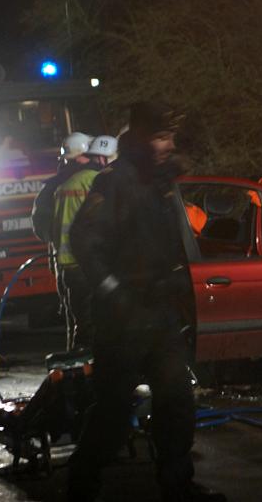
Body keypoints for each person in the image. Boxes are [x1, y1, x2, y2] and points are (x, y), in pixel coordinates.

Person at [67, 102, 224, 502]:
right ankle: (81, 487)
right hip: (122, 321)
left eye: (170, 135)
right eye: (159, 136)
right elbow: (83, 240)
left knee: (176, 403)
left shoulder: (162, 184)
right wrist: (113, 291)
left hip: (161, 315)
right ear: (140, 139)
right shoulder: (114, 181)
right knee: (114, 413)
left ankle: (177, 486)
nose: (168, 144)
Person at [52, 135, 117, 350]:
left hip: (67, 266)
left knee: (80, 326)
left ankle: (77, 374)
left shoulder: (63, 185)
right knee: (97, 329)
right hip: (87, 264)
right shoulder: (94, 182)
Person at [32, 132, 93, 331]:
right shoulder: (97, 179)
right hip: (94, 264)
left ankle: (77, 359)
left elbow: (41, 230)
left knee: (76, 321)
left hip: (65, 265)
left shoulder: (51, 188)